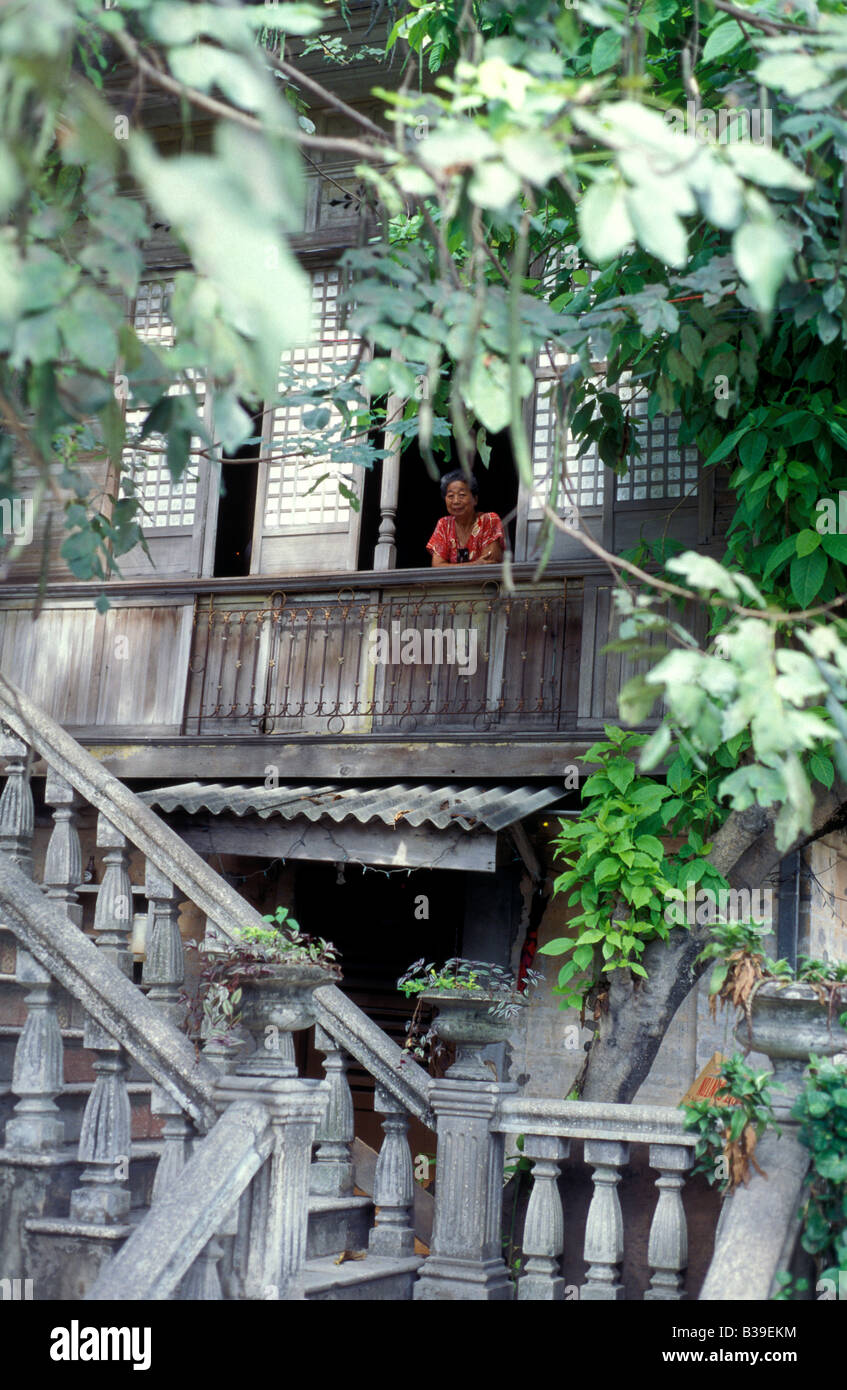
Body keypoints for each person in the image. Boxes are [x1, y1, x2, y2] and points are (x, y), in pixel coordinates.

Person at [426, 471, 504, 566]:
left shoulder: (489, 520)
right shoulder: (444, 524)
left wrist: (451, 568)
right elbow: (437, 566)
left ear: (475, 499)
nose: (456, 501)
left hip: (485, 581)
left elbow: (489, 563)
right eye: (450, 496)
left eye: (462, 495)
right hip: (452, 581)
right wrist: (474, 564)